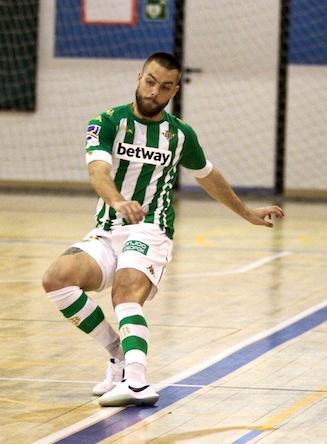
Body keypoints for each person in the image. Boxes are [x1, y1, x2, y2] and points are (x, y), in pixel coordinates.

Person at [42, 52, 284, 407]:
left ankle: (137, 383)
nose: (155, 91)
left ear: (174, 91)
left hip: (151, 228)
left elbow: (208, 177)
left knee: (125, 292)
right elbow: (98, 172)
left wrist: (245, 212)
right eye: (150, 81)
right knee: (56, 279)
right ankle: (119, 357)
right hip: (109, 228)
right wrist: (117, 201)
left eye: (165, 87)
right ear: (139, 77)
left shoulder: (180, 135)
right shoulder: (107, 122)